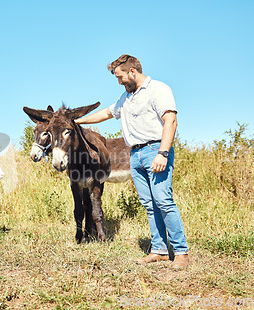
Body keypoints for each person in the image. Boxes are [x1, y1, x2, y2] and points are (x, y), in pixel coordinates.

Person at [75, 54, 189, 269]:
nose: (119, 82)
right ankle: (160, 251)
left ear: (132, 72)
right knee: (149, 205)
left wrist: (163, 153)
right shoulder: (126, 97)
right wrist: (76, 121)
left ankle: (181, 252)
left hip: (155, 149)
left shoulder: (158, 89)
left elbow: (170, 120)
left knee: (163, 201)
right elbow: (107, 113)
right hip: (134, 154)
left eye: (120, 77)